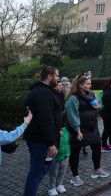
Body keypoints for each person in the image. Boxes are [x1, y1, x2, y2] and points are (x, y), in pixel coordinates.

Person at [23, 65, 62, 196]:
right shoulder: (42, 93)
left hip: (44, 139)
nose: (58, 79)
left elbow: (53, 113)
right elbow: (45, 119)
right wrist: (51, 143)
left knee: (49, 164)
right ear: (49, 76)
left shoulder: (46, 91)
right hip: (40, 141)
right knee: (36, 172)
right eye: (57, 76)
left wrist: (57, 130)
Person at [65, 75, 110, 186]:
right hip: (80, 130)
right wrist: (77, 130)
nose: (90, 85)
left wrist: (98, 105)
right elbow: (72, 116)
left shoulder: (91, 94)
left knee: (96, 148)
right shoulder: (73, 98)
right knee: (75, 152)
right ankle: (75, 176)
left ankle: (97, 170)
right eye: (88, 84)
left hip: (93, 128)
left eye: (90, 83)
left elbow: (99, 107)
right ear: (80, 85)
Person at [47, 126, 70, 196]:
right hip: (56, 157)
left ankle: (59, 184)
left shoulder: (66, 129)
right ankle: (52, 187)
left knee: (62, 172)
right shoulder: (52, 131)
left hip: (65, 155)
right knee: (53, 174)